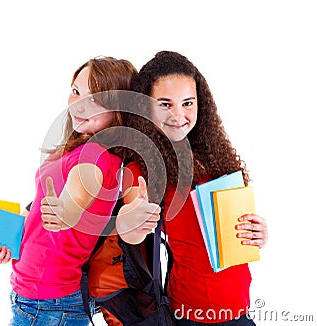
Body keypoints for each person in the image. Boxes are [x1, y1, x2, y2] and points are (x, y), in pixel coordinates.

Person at [0, 56, 138, 326]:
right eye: (76, 91)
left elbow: (72, 204)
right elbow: (41, 214)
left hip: (49, 303)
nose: (78, 104)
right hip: (39, 296)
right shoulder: (79, 148)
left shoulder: (95, 157)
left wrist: (65, 211)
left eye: (96, 99)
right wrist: (8, 240)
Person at [113, 51, 268, 325]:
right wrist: (132, 221)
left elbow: (234, 230)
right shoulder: (142, 169)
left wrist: (258, 233)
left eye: (187, 103)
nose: (179, 115)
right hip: (190, 315)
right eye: (165, 104)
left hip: (240, 311)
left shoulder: (215, 156)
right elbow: (131, 227)